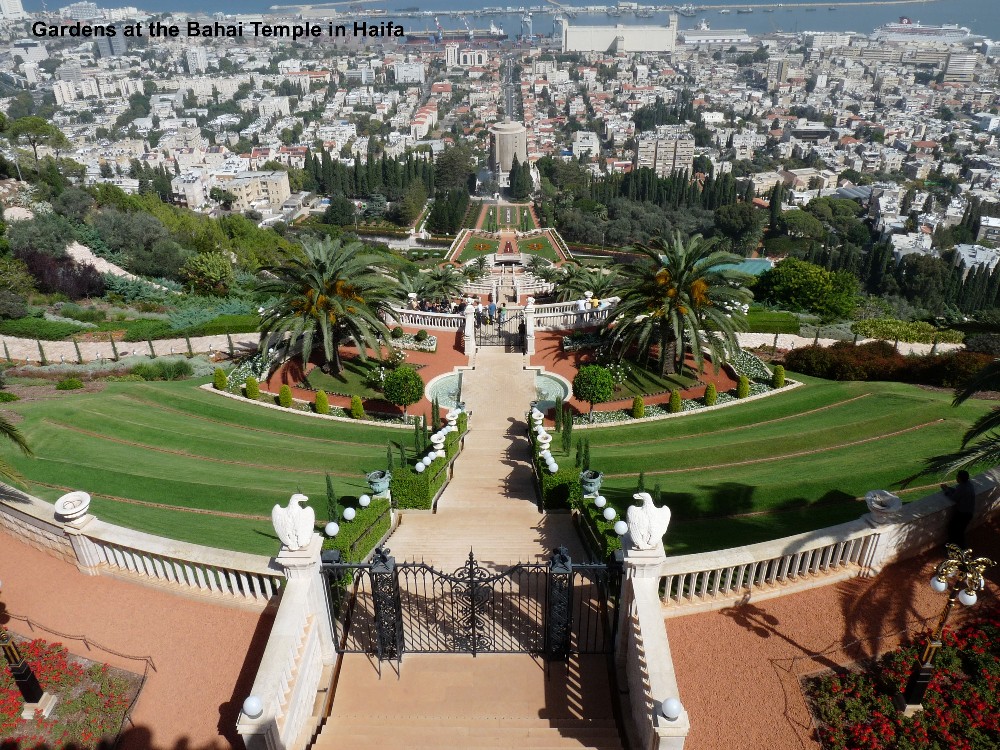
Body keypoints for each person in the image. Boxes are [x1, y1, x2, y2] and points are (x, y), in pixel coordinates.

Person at [942, 470, 975, 547]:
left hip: (963, 514)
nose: (956, 478)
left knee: (954, 529)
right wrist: (949, 488)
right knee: (959, 531)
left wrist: (946, 490)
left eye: (957, 476)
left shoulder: (962, 488)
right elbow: (958, 492)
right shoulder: (968, 485)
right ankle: (958, 546)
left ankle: (957, 547)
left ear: (960, 479)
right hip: (968, 513)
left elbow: (954, 498)